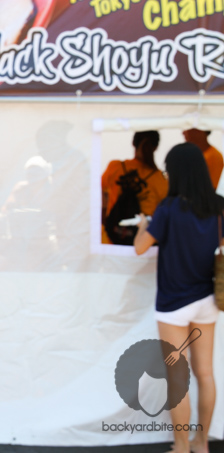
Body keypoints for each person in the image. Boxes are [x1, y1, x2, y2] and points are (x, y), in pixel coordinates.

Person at [134, 143, 221, 453]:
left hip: (173, 303)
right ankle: (202, 444)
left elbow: (141, 247)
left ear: (176, 173)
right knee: (205, 374)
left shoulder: (168, 208)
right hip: (208, 300)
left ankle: (182, 446)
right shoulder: (219, 205)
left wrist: (144, 224)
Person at [101, 130, 168, 244]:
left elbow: (100, 198)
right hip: (142, 244)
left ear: (133, 143)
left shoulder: (115, 167)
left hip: (111, 240)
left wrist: (105, 221)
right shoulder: (161, 180)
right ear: (156, 147)